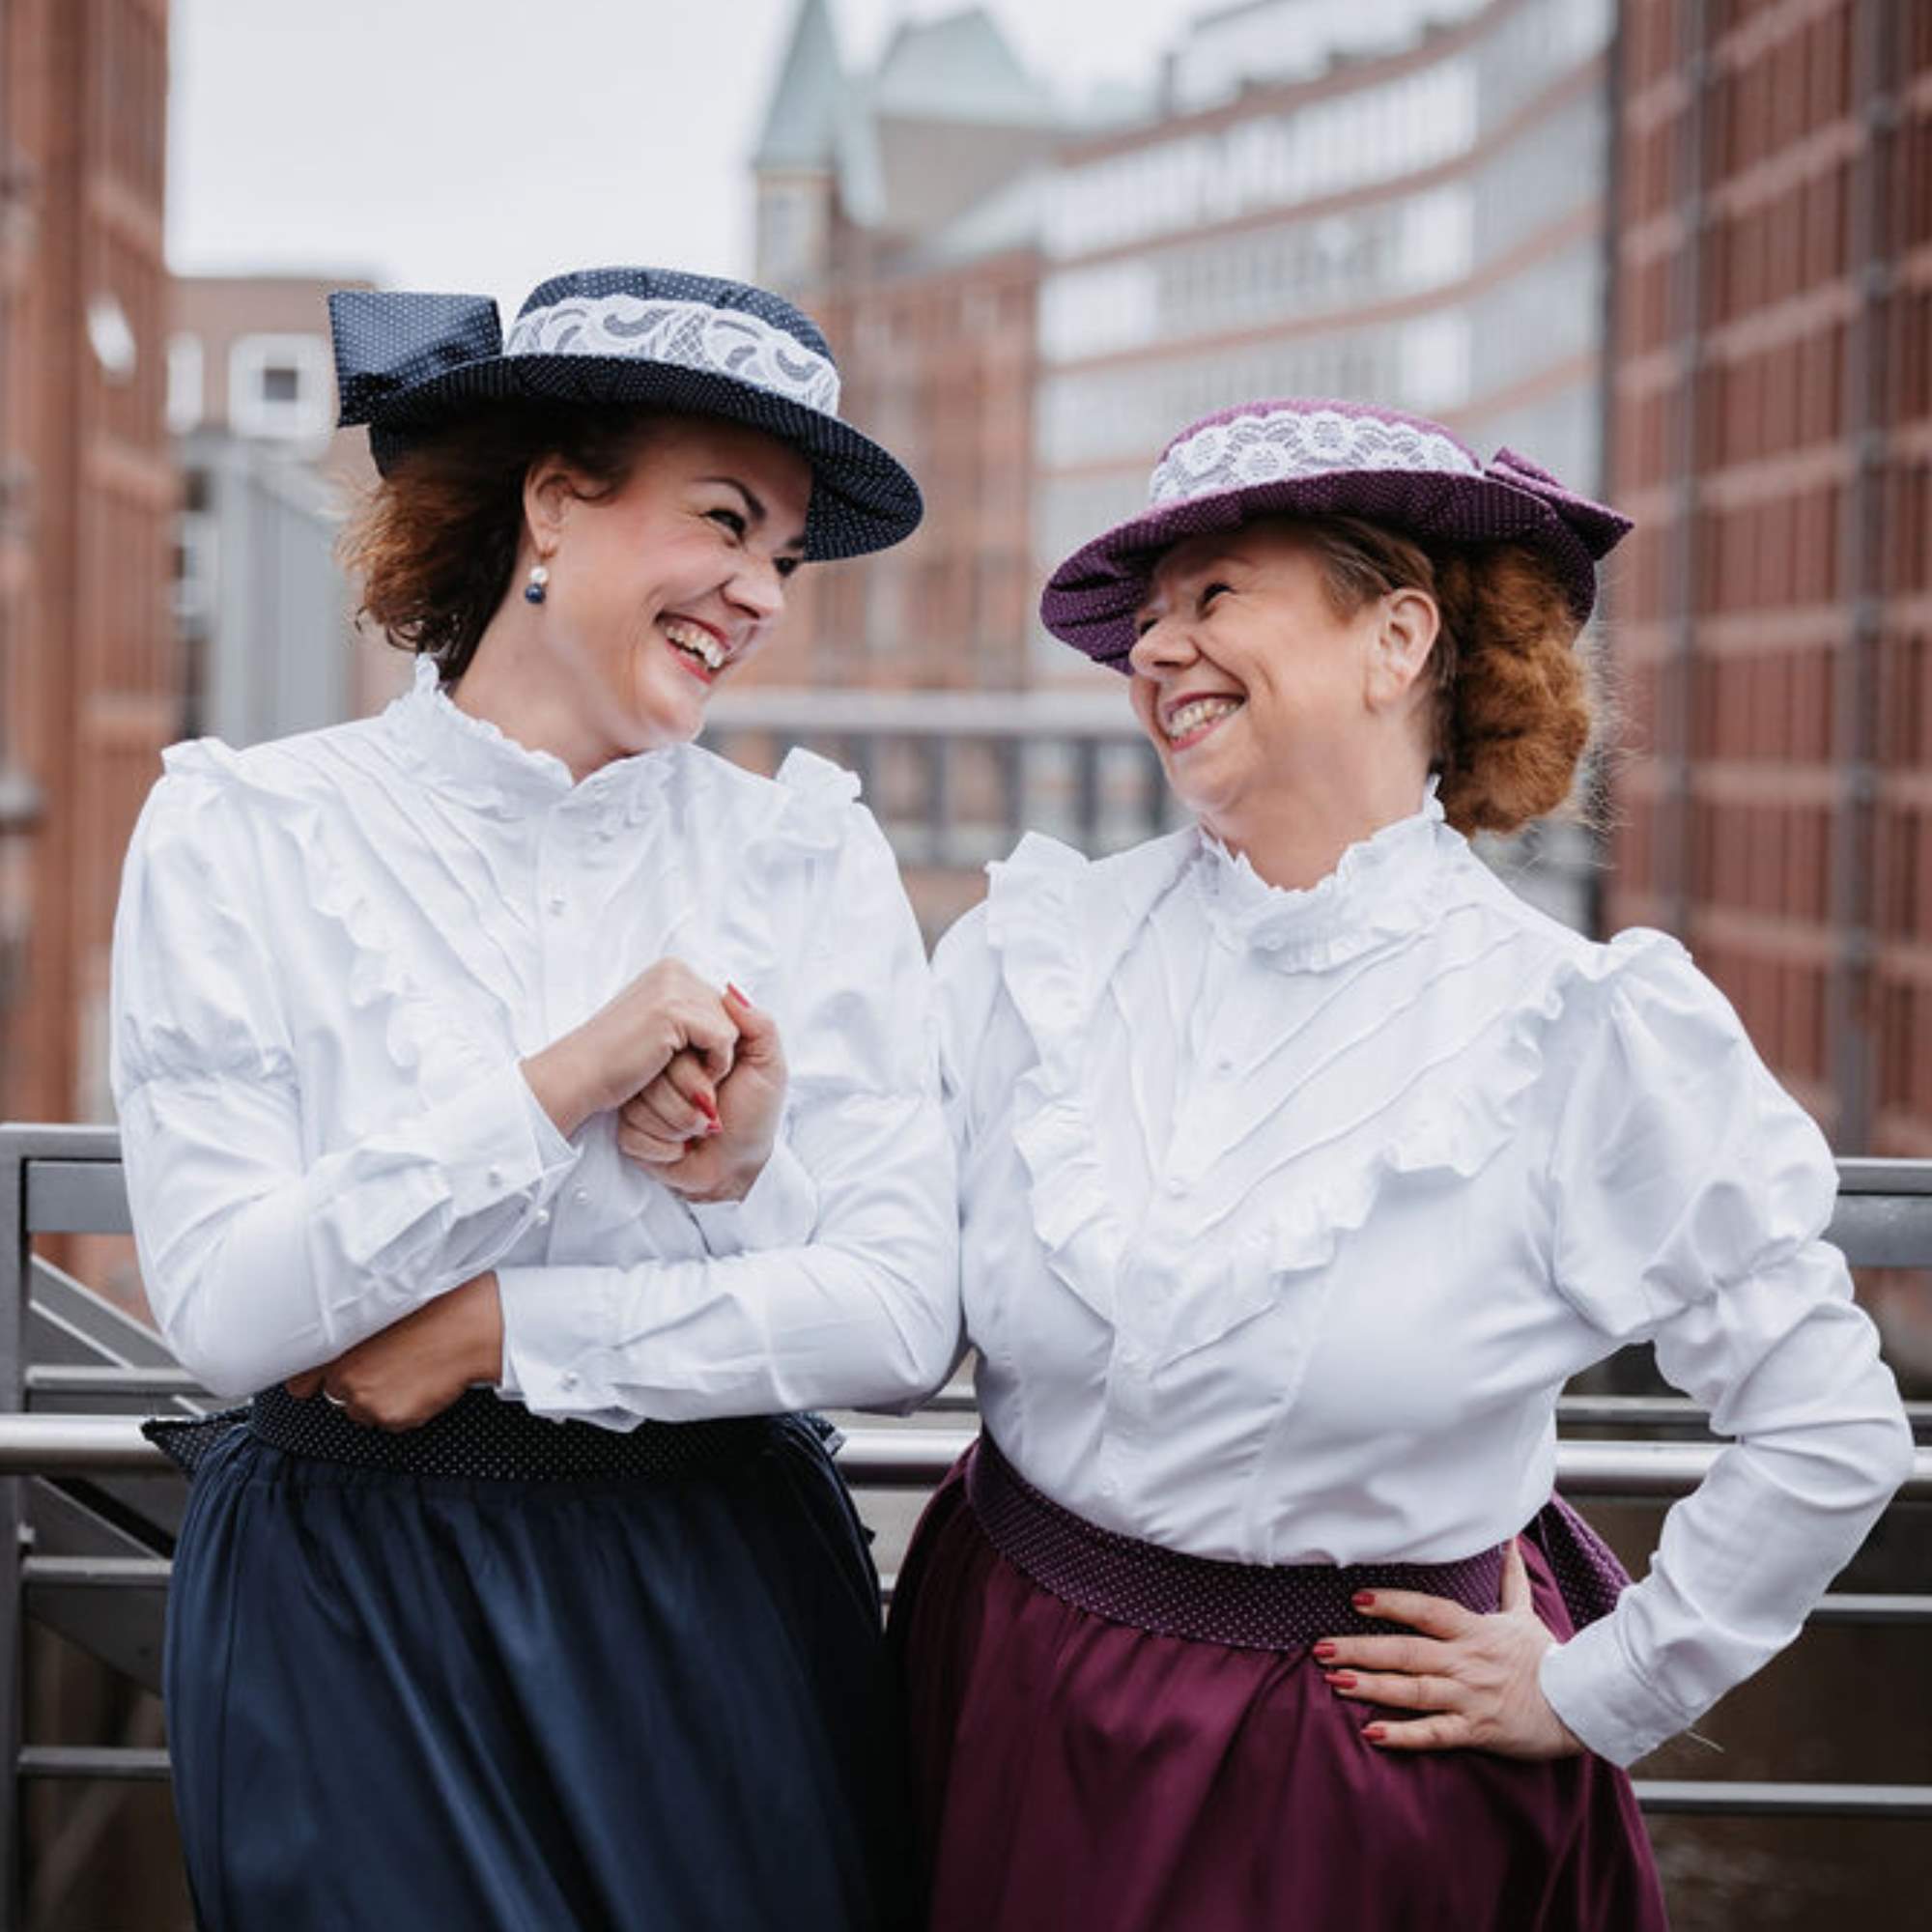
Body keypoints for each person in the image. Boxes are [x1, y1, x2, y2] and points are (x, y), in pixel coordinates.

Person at [889, 397, 1915, 1930]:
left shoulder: (1574, 1031)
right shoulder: (1029, 958)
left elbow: (1827, 1425)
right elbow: (880, 1279)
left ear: (1399, 641)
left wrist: (1607, 1686)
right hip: (1000, 1696)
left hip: (1355, 1784)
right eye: (1147, 620)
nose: (1154, 650)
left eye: (1215, 596)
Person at [112, 266, 957, 1930]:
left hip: (712, 1602)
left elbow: (903, 1317)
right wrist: (563, 1081)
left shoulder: (803, 854)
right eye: (723, 520)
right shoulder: (243, 833)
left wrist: (517, 1318)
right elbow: (224, 1311)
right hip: (346, 1616)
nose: (761, 594)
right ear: (555, 503)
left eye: (783, 555)